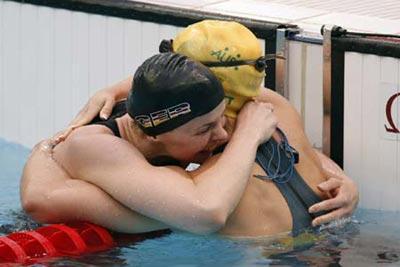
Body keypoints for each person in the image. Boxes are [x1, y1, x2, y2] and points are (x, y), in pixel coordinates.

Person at [21, 20, 358, 237]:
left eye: (224, 117)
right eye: (205, 129)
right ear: (154, 134)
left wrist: (341, 180)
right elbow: (40, 201)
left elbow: (305, 153)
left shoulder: (219, 107)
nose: (224, 133)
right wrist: (247, 136)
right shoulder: (99, 148)